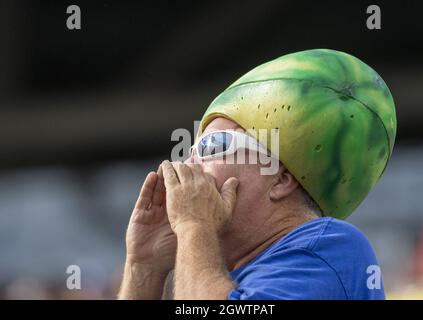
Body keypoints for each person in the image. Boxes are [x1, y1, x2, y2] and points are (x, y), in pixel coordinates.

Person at [118, 49, 397, 300]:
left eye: (212, 146)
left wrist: (194, 226)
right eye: (190, 150)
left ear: (281, 178)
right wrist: (143, 266)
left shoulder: (326, 247)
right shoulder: (217, 278)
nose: (189, 165)